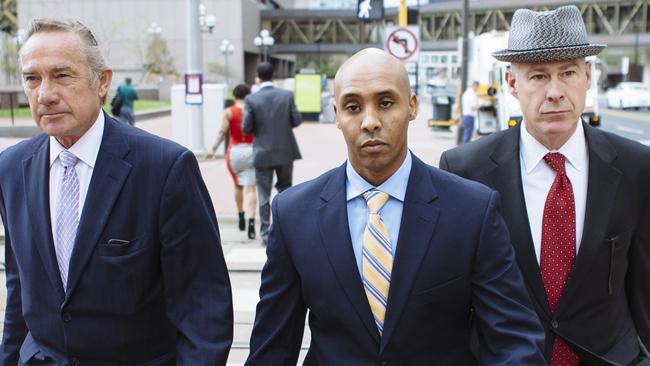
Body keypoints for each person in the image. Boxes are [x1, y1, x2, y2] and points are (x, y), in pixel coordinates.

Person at [245, 48, 546, 365]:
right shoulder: (293, 214)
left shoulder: (472, 210)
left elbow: (514, 340)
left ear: (412, 106)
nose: (370, 122)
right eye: (353, 107)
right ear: (336, 114)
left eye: (385, 103)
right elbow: (272, 346)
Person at [0, 19, 233, 365]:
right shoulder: (11, 168)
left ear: (102, 82)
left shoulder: (165, 168)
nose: (45, 94)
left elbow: (203, 308)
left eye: (62, 75)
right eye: (32, 79)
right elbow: (20, 294)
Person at [440, 6, 650, 365]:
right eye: (538, 76)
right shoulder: (464, 170)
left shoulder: (636, 168)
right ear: (511, 83)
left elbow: (644, 290)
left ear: (587, 76)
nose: (555, 91)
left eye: (567, 73)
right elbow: (453, 298)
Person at [242, 62, 302, 245]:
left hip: (262, 153)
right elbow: (296, 120)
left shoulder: (252, 100)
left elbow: (246, 128)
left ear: (258, 77)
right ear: (274, 75)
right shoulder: (286, 95)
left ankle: (266, 234)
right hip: (285, 151)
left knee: (263, 194)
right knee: (285, 192)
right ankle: (286, 230)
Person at [211, 84, 257, 239]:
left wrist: (213, 149)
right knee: (251, 188)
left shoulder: (229, 112)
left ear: (234, 95)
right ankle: (251, 223)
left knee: (237, 185)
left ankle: (241, 215)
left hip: (235, 151)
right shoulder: (253, 110)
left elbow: (222, 132)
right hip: (252, 149)